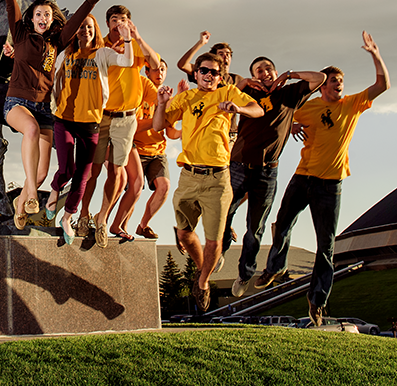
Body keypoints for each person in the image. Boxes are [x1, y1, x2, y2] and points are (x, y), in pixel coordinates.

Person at [254, 31, 389, 325]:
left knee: (326, 244)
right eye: (333, 81)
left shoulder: (352, 105)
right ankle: (274, 268)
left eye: (341, 81)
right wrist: (289, 128)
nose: (339, 85)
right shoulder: (308, 107)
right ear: (322, 88)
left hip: (330, 184)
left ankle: (317, 300)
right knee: (283, 221)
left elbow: (383, 85)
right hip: (303, 177)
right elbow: (283, 117)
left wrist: (375, 55)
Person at [0, 0, 106, 229]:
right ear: (32, 18)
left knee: (40, 175)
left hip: (44, 110)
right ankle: (30, 196)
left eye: (48, 15)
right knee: (28, 130)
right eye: (39, 14)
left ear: (52, 20)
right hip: (16, 103)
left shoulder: (57, 42)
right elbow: (10, 4)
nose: (43, 18)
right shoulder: (19, 33)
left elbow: (77, 20)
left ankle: (22, 206)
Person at [153, 53, 264, 311]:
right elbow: (160, 125)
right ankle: (203, 265)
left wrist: (239, 109)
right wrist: (161, 103)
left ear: (220, 76)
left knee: (214, 240)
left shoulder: (228, 93)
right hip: (189, 175)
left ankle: (202, 282)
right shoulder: (187, 98)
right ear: (196, 74)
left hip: (217, 178)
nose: (208, 75)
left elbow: (257, 110)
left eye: (214, 72)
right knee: (184, 233)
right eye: (204, 70)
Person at [227, 58, 325, 297]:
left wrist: (290, 74)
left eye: (268, 68)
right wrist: (246, 82)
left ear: (276, 72)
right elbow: (226, 93)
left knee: (255, 227)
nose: (264, 72)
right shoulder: (247, 91)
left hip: (267, 171)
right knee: (223, 213)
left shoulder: (288, 94)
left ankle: (245, 273)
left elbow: (319, 78)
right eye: (258, 70)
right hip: (238, 165)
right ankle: (220, 250)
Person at [75, 5, 161, 247]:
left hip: (127, 119)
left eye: (123, 19)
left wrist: (137, 37)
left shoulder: (134, 45)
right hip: (100, 116)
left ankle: (102, 218)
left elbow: (154, 64)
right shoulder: (99, 44)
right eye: (114, 19)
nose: (119, 23)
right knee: (93, 169)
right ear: (108, 23)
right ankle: (83, 215)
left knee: (117, 171)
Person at [46, 14, 134, 244]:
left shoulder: (102, 53)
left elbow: (127, 62)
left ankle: (67, 217)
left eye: (89, 27)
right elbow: (50, 76)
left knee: (83, 176)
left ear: (95, 30)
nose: (85, 30)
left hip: (90, 122)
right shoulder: (66, 55)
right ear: (74, 31)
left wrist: (127, 40)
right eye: (81, 27)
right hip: (64, 118)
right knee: (66, 168)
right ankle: (55, 189)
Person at [109, 60, 181, 241]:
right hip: (136, 148)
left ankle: (143, 225)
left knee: (164, 187)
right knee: (134, 189)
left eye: (163, 69)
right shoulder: (139, 92)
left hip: (158, 151)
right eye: (155, 69)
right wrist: (158, 122)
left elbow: (171, 132)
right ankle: (119, 225)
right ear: (147, 72)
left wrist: (184, 131)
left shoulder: (168, 98)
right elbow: (133, 126)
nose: (159, 73)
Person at [177, 31, 244, 143]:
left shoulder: (236, 79)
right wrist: (200, 43)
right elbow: (182, 65)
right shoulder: (206, 73)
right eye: (221, 54)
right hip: (205, 127)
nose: (225, 57)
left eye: (228, 54)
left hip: (229, 132)